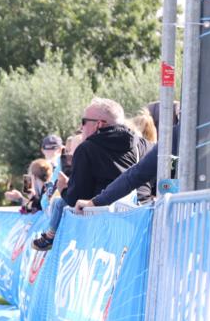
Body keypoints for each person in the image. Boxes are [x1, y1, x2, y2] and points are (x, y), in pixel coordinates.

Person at [33, 98, 141, 250]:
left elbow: (76, 198)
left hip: (96, 233)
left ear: (99, 124)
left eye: (83, 121)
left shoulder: (87, 149)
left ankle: (49, 237)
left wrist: (64, 188)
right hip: (130, 227)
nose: (80, 127)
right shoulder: (137, 145)